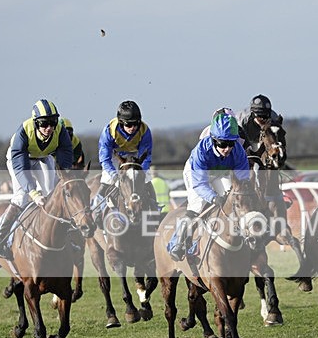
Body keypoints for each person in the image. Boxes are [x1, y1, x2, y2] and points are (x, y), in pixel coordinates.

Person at [0, 98, 74, 260]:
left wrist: (66, 174)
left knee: (53, 194)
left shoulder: (60, 130)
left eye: (53, 122)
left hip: (43, 158)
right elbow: (21, 169)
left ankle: (65, 237)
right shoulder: (23, 132)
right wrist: (34, 193)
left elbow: (65, 153)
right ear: (35, 123)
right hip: (21, 160)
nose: (49, 128)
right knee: (22, 198)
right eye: (43, 123)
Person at [168, 111, 250, 262]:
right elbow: (200, 184)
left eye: (231, 143)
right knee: (197, 205)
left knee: (236, 201)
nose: (227, 149)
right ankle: (177, 243)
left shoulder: (238, 151)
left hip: (221, 173)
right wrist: (213, 198)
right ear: (213, 140)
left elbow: (243, 181)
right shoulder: (201, 151)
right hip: (197, 174)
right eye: (222, 144)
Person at [93, 100, 157, 226]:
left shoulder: (144, 131)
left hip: (135, 156)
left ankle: (155, 210)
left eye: (135, 124)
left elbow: (146, 156)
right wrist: (114, 175)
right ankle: (96, 211)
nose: (132, 128)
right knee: (107, 181)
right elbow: (104, 159)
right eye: (128, 124)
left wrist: (141, 172)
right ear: (121, 123)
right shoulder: (109, 131)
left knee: (147, 180)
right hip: (115, 157)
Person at [235, 94, 288, 168]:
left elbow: (278, 139)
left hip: (262, 141)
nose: (263, 119)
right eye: (260, 117)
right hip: (244, 139)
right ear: (253, 114)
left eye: (266, 116)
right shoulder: (242, 119)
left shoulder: (274, 118)